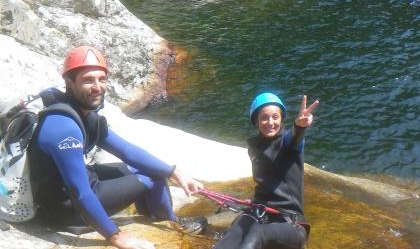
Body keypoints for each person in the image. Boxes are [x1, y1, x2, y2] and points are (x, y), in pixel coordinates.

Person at [28, 46, 207, 249]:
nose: (97, 87)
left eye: (101, 79)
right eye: (88, 80)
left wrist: (175, 172)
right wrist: (115, 236)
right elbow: (80, 193)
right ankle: (170, 225)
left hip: (72, 188)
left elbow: (127, 151)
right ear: (69, 82)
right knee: (153, 179)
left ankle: (154, 218)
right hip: (67, 209)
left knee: (150, 170)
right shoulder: (64, 128)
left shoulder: (83, 114)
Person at [213, 92, 319, 249]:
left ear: (282, 119)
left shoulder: (287, 144)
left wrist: (299, 126)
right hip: (261, 213)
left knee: (257, 233)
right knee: (235, 231)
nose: (270, 122)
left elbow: (295, 137)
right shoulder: (255, 147)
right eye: (264, 117)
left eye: (275, 117)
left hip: (291, 225)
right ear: (256, 121)